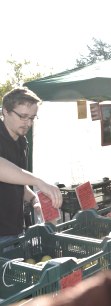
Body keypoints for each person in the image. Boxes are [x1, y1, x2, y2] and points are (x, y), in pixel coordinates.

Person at [1, 87, 62, 243]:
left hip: (14, 229)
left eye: (32, 118)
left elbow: (20, 183)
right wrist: (38, 181)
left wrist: (35, 200)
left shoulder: (22, 142)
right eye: (23, 116)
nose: (28, 123)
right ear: (5, 111)